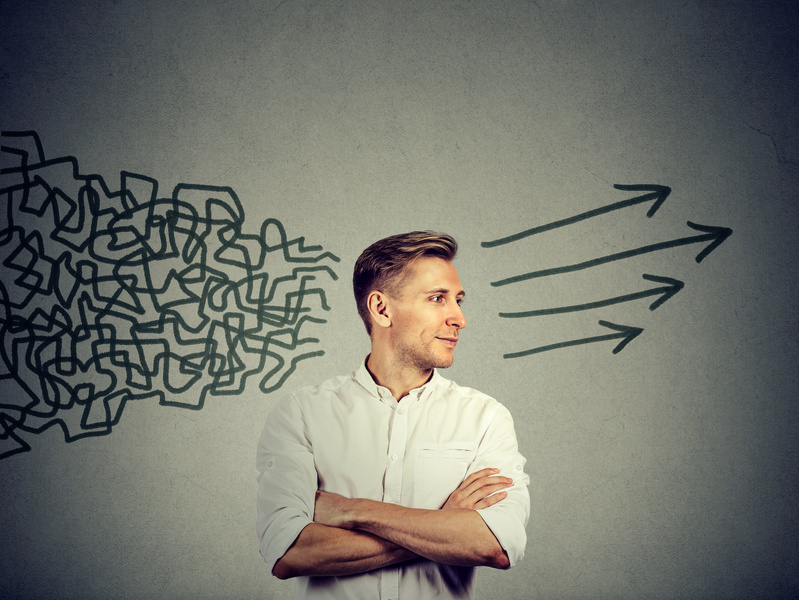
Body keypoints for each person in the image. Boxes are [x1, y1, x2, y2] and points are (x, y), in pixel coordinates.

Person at [256, 231, 530, 599]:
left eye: (459, 300)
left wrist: (353, 512)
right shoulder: (303, 413)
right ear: (382, 309)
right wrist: (445, 522)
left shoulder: (485, 417)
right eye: (438, 298)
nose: (460, 318)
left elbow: (496, 545)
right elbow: (288, 552)